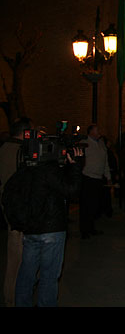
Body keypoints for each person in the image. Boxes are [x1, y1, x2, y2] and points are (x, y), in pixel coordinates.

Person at [12, 146, 83, 307]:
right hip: (51, 229)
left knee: (26, 273)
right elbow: (72, 190)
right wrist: (76, 166)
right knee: (49, 276)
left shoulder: (26, 168)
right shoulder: (49, 170)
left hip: (31, 228)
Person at [0, 117, 32, 307]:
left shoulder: (5, 148)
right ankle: (11, 298)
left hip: (10, 205)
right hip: (17, 208)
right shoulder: (18, 151)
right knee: (16, 256)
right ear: (25, 133)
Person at [79, 124, 111, 239]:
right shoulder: (84, 143)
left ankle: (91, 227)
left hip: (98, 178)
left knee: (94, 205)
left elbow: (105, 161)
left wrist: (108, 175)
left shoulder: (101, 143)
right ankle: (84, 230)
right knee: (86, 205)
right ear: (91, 132)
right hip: (88, 177)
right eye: (97, 130)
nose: (99, 132)